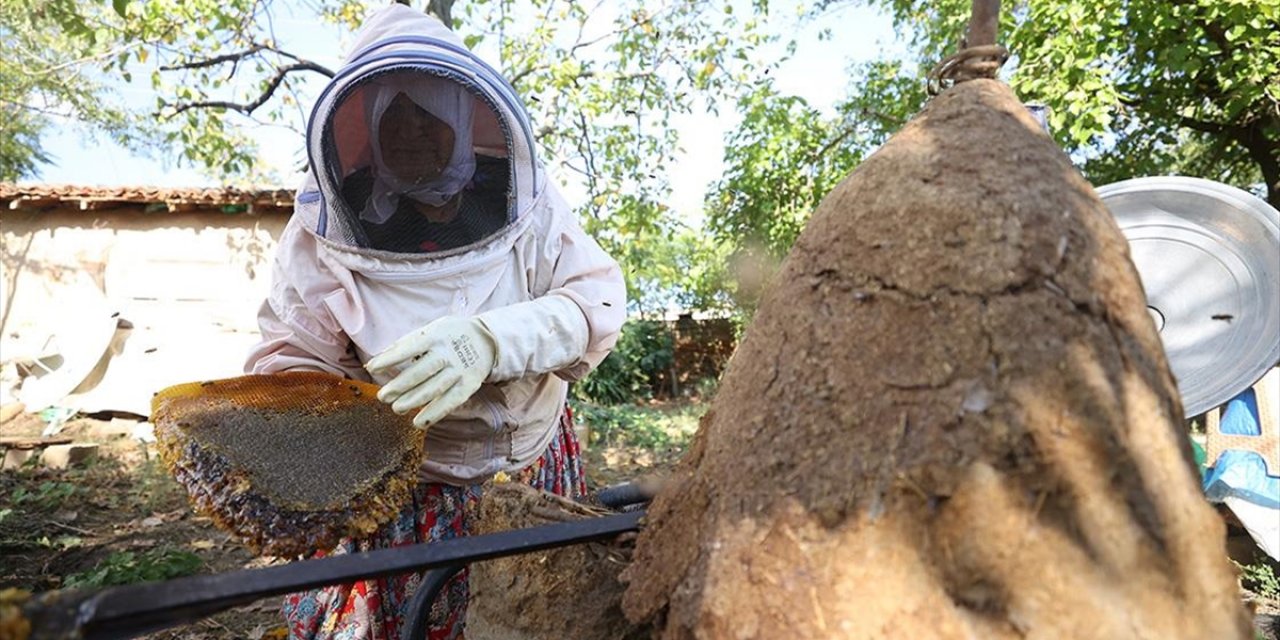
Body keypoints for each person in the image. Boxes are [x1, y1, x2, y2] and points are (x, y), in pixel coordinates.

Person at [243, 5, 626, 638]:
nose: (411, 132)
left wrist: (493, 342)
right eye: (393, 116)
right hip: (407, 487)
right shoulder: (321, 231)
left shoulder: (527, 199)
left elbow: (595, 301)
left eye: (428, 113)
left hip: (529, 462)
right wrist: (304, 420)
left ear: (463, 116)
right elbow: (294, 354)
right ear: (366, 126)